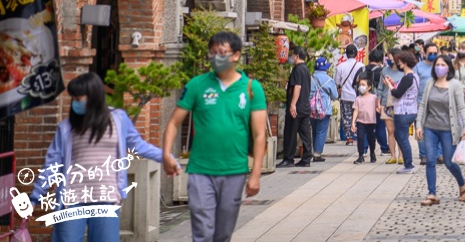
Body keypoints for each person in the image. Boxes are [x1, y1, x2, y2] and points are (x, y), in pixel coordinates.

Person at [31, 72, 164, 242]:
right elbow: (52, 165)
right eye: (74, 99)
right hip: (71, 199)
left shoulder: (117, 119)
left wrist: (165, 157)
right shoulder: (66, 128)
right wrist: (36, 195)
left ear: (94, 96)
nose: (76, 103)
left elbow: (139, 145)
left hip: (106, 198)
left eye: (80, 98)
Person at [164, 31, 267, 242]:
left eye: (221, 52)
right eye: (212, 53)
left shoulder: (251, 88)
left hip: (234, 170)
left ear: (236, 55)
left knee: (223, 233)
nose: (215, 58)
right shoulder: (197, 85)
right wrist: (166, 154)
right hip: (201, 170)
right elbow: (174, 122)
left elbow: (259, 135)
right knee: (202, 232)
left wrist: (255, 174)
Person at [414, 56, 465, 205]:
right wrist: (419, 124)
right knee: (430, 160)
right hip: (430, 128)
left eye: (443, 64)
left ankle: (462, 183)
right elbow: (422, 105)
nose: (439, 67)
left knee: (449, 161)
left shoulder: (455, 85)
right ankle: (432, 194)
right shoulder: (430, 83)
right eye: (437, 65)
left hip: (448, 130)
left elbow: (461, 107)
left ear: (449, 67)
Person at [278, 45, 313, 167]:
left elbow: (297, 87)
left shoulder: (297, 69)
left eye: (292, 55)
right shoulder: (306, 69)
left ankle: (289, 158)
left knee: (290, 132)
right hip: (304, 105)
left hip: (296, 107)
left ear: (297, 56)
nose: (291, 57)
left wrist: (292, 104)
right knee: (305, 133)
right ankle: (307, 157)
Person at [386, 50, 420, 173]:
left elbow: (397, 93)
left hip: (404, 111)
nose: (398, 64)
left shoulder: (407, 77)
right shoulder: (413, 76)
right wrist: (393, 83)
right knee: (399, 136)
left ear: (404, 62)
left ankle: (409, 164)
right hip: (410, 110)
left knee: (402, 137)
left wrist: (390, 87)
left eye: (399, 62)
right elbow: (402, 89)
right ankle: (408, 163)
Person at [334, 44, 365, 146]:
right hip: (359, 96)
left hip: (345, 96)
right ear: (356, 54)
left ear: (346, 54)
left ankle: (349, 138)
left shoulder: (340, 66)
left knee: (346, 117)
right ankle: (358, 135)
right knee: (358, 116)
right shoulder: (361, 66)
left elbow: (337, 82)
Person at [413, 43, 438, 165]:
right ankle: (423, 155)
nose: (433, 55)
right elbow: (413, 85)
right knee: (420, 128)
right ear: (424, 53)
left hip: (438, 102)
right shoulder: (418, 67)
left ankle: (438, 154)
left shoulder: (440, 66)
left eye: (435, 53)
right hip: (420, 102)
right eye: (430, 53)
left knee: (439, 127)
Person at [379, 48, 405, 164]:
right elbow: (380, 88)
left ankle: (401, 155)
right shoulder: (384, 70)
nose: (389, 60)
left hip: (400, 103)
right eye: (388, 57)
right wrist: (378, 103)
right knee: (390, 130)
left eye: (391, 58)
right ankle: (393, 155)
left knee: (400, 130)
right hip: (387, 102)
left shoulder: (404, 70)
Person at [310, 56, 338, 162]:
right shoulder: (329, 80)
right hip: (324, 109)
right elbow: (335, 95)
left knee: (315, 130)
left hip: (312, 108)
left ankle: (314, 150)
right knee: (321, 131)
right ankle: (317, 154)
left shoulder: (311, 78)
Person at [365, 49, 390, 156]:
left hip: (363, 101)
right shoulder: (382, 71)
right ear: (381, 59)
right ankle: (384, 148)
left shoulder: (362, 69)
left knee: (364, 125)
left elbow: (354, 84)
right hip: (377, 102)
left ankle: (364, 149)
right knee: (380, 125)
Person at [351, 74, 379, 164]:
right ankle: (360, 155)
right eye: (360, 85)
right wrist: (353, 122)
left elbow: (377, 107)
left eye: (363, 85)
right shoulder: (358, 99)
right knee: (360, 138)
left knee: (371, 139)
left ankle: (372, 153)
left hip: (371, 122)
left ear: (369, 87)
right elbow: (356, 111)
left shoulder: (374, 98)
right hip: (360, 122)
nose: (361, 87)